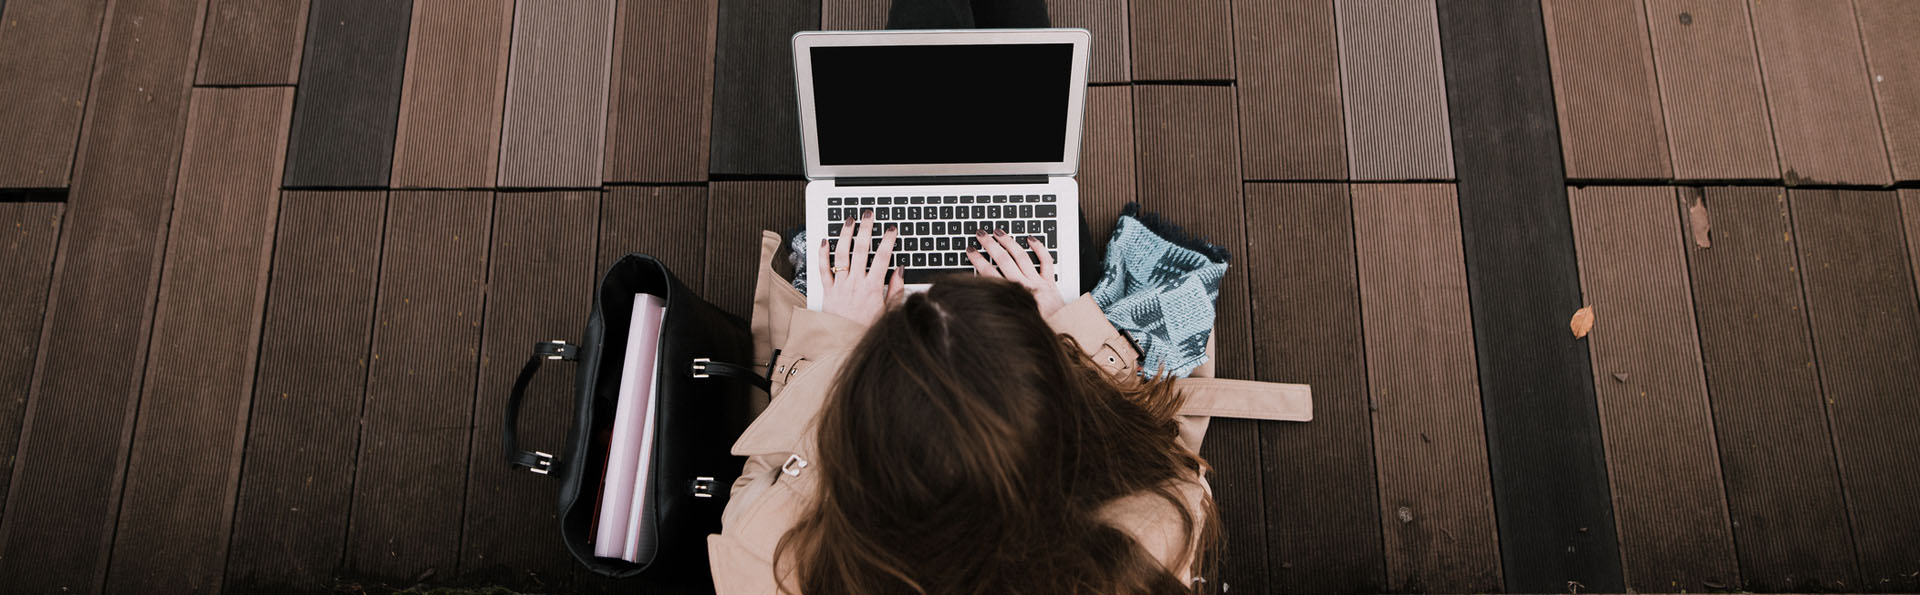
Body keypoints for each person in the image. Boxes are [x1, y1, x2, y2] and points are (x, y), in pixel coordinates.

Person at [706, 211, 1311, 594]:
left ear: (860, 445)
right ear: (1061, 414)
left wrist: (831, 337)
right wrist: (1067, 331)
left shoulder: (768, 561)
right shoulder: (1161, 526)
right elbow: (1158, 451)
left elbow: (760, 481)